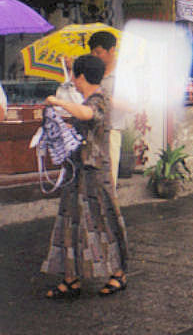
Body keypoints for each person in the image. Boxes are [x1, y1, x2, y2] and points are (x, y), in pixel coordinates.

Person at [41, 54, 128, 298]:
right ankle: (71, 278)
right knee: (71, 221)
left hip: (96, 174)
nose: (72, 81)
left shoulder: (98, 99)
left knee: (103, 221)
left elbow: (88, 114)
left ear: (80, 76)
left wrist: (59, 103)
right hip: (77, 172)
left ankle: (118, 273)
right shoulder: (91, 99)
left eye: (74, 76)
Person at [88, 30, 130, 189]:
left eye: (98, 52)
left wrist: (105, 99)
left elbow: (131, 105)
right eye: (92, 52)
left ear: (112, 50)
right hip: (91, 130)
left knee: (108, 180)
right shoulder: (92, 71)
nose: (95, 56)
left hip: (111, 130)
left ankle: (110, 212)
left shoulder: (124, 74)